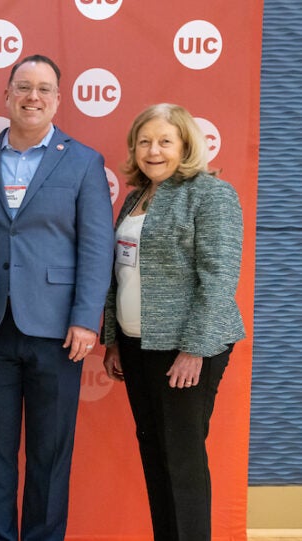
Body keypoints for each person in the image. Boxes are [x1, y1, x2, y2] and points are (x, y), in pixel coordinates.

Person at [0, 54, 114, 541]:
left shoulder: (85, 161)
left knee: (50, 453)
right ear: (6, 95)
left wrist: (87, 319)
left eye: (44, 89)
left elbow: (96, 245)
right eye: (23, 87)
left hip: (57, 330)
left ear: (58, 100)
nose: (33, 97)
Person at [102, 103, 244, 541]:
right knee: (156, 454)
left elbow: (219, 276)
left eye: (165, 141)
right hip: (136, 344)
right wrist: (112, 340)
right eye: (144, 141)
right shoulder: (134, 197)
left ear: (185, 144)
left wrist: (194, 350)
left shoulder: (210, 193)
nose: (153, 150)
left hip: (186, 348)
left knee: (181, 460)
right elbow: (119, 272)